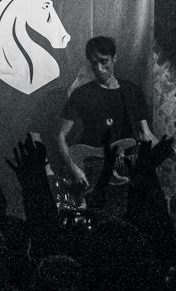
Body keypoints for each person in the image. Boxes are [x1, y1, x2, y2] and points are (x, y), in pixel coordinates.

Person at [53, 36, 158, 195]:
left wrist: (168, 149)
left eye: (104, 62)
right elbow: (59, 135)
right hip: (90, 170)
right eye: (94, 63)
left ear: (114, 58)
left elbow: (146, 134)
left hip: (122, 172)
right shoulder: (82, 94)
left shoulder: (131, 91)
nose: (99, 69)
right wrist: (73, 168)